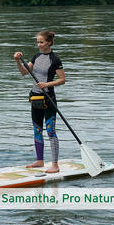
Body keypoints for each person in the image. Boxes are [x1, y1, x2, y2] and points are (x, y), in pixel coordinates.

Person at [13, 31, 65, 173]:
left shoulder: (55, 59)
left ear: (48, 42)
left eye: (41, 42)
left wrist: (46, 85)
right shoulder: (36, 57)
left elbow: (62, 80)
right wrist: (17, 61)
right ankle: (40, 160)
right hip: (35, 98)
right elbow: (24, 72)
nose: (38, 45)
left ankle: (55, 165)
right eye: (37, 42)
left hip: (48, 99)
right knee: (37, 130)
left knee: (50, 131)